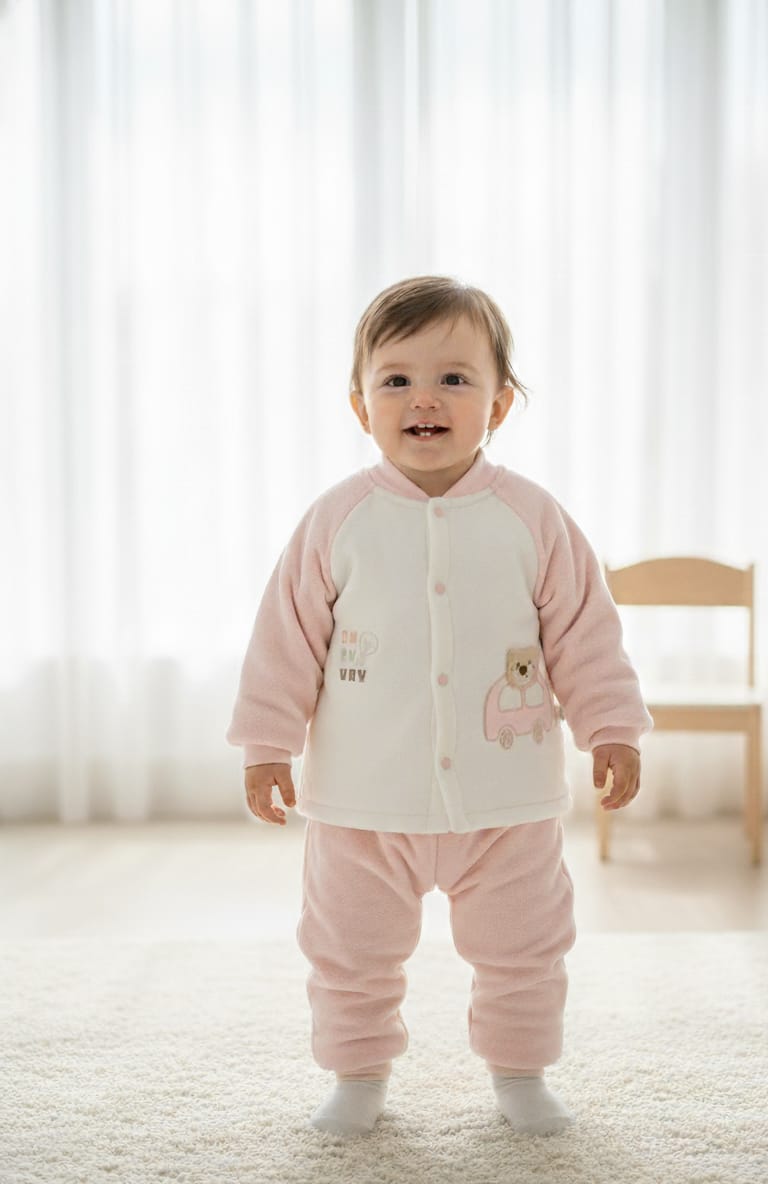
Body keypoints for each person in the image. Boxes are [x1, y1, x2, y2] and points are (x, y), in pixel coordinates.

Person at [226, 275, 653, 1139]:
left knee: (526, 950)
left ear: (499, 403)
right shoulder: (335, 522)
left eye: (455, 379)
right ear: (361, 405)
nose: (425, 398)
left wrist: (610, 725)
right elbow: (284, 643)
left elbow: (585, 634)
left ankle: (521, 1073)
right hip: (362, 806)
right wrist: (267, 744)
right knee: (347, 951)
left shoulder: (534, 519)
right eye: (397, 380)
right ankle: (357, 1075)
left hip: (506, 804)